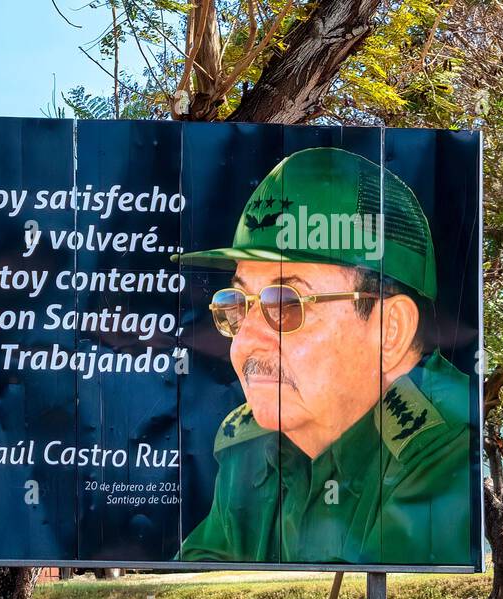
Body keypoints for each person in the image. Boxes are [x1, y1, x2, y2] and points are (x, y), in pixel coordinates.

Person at [176, 147, 472, 566]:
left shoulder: (449, 448)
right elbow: (198, 586)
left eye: (287, 303)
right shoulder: (249, 445)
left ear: (390, 329)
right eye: (237, 303)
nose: (244, 343)